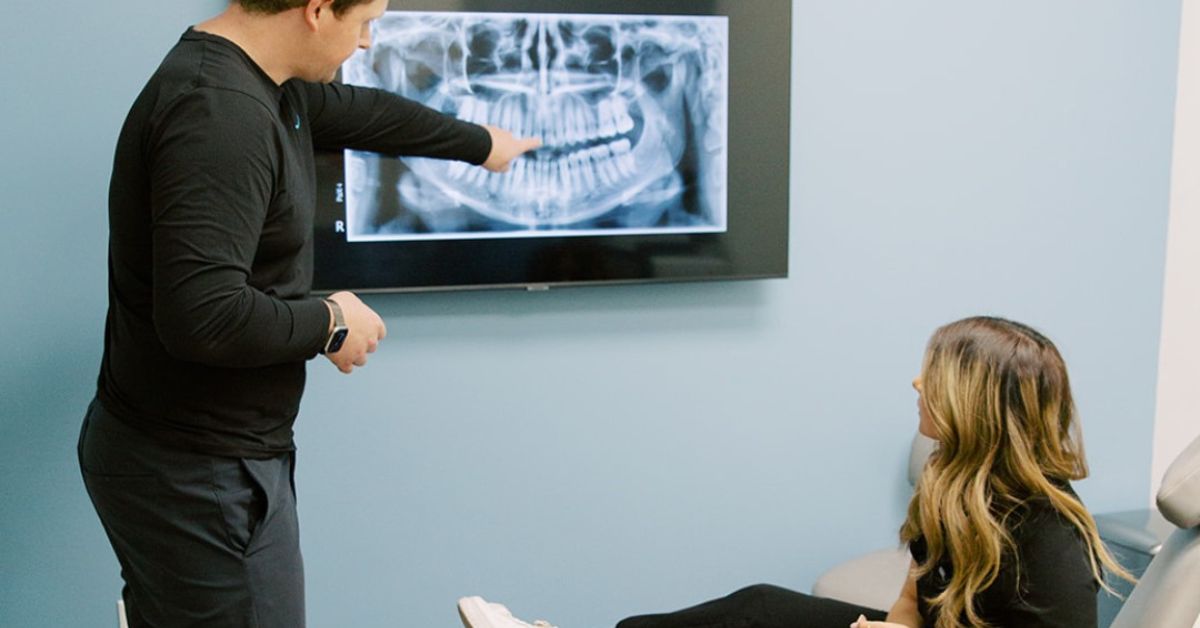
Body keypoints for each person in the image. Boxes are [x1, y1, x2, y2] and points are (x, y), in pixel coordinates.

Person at [76, 1, 540, 626]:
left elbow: (365, 113)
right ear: (318, 10)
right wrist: (330, 320)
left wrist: (482, 144)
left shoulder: (263, 85)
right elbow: (203, 316)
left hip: (190, 458)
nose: (370, 42)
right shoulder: (221, 115)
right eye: (366, 22)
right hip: (199, 474)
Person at [456, 316, 1134, 628]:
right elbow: (912, 603)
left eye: (936, 373)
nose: (916, 381)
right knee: (756, 606)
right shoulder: (949, 479)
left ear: (976, 401)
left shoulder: (1045, 533)